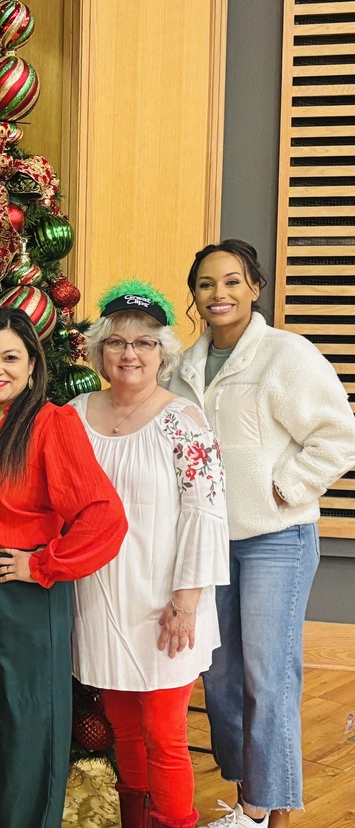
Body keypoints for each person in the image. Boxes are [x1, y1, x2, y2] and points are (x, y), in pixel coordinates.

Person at [166, 240, 355, 828]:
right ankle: (251, 790)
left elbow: (337, 435)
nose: (218, 294)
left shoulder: (286, 355)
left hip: (276, 538)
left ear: (254, 287)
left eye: (231, 282)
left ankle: (264, 813)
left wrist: (285, 487)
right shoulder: (181, 369)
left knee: (267, 671)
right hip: (208, 543)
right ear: (195, 296)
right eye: (205, 284)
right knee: (219, 675)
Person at [0, 306, 128, 828]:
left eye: (10, 357)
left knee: (26, 730)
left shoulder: (49, 424)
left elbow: (104, 517)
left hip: (20, 593)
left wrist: (43, 564)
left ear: (31, 363)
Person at [68, 280, 230, 828]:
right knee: (122, 729)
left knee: (164, 735)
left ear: (163, 352)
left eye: (144, 342)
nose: (129, 353)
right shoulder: (72, 416)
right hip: (98, 598)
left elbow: (205, 513)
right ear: (99, 351)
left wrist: (186, 600)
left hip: (166, 602)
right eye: (117, 342)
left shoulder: (184, 421)